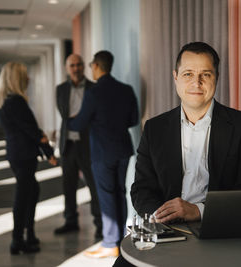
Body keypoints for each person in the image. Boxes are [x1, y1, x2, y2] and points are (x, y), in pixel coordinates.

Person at [114, 42, 241, 266]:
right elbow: (141, 188)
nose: (197, 82)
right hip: (166, 229)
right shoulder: (154, 128)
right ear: (175, 77)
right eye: (188, 74)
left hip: (220, 231)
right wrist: (164, 217)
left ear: (216, 77)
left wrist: (198, 211)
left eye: (205, 74)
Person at [68, 50, 139, 258]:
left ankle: (110, 243)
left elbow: (79, 124)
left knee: (107, 196)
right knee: (120, 193)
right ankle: (120, 242)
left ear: (97, 66)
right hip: (123, 150)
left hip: (102, 152)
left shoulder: (93, 93)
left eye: (91, 66)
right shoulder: (126, 90)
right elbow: (133, 120)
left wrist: (69, 120)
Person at [0, 62, 57, 254]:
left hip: (16, 153)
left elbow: (28, 128)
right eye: (24, 75)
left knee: (32, 191)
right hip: (24, 155)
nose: (28, 78)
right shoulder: (16, 102)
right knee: (24, 196)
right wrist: (47, 149)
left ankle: (28, 234)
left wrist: (43, 142)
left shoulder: (5, 101)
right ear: (16, 79)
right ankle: (18, 240)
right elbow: (32, 130)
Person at [55, 54, 102, 237]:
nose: (76, 68)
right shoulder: (60, 89)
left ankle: (99, 224)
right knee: (68, 186)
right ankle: (70, 221)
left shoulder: (94, 88)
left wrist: (81, 119)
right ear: (67, 68)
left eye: (79, 65)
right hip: (67, 143)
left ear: (84, 67)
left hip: (88, 143)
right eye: (72, 65)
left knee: (93, 185)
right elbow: (64, 114)